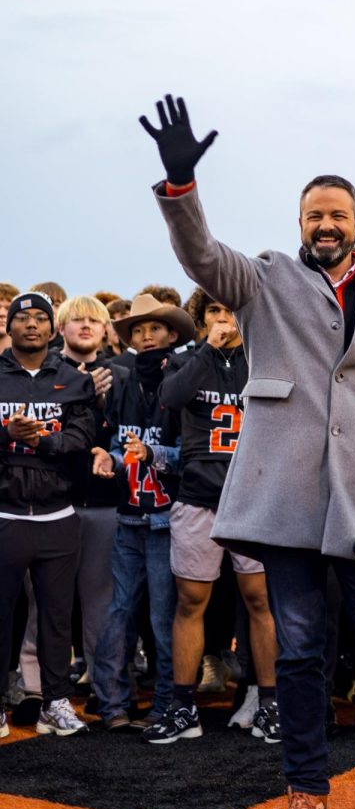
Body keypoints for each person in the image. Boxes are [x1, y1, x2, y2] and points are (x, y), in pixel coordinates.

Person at [140, 95, 355, 809]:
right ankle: (306, 788)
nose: (326, 225)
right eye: (313, 215)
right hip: (286, 501)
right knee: (300, 651)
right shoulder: (264, 279)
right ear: (299, 223)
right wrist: (180, 188)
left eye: (337, 215)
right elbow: (201, 257)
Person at [144, 291, 280, 746]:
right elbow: (171, 397)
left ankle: (270, 704)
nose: (224, 319)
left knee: (261, 601)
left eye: (231, 310)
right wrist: (208, 348)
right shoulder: (187, 359)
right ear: (201, 320)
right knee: (190, 602)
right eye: (214, 312)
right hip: (199, 495)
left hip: (252, 499)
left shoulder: (265, 358)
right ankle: (183, 707)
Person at [91, 293, 193, 731]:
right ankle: (112, 705)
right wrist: (110, 459)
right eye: (138, 329)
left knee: (164, 618)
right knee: (118, 612)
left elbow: (194, 454)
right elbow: (118, 445)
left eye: (155, 328)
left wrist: (153, 454)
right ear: (129, 337)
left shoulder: (189, 378)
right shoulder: (121, 381)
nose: (147, 336)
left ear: (172, 334)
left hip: (170, 521)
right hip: (128, 517)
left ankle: (167, 706)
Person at [0, 291, 95, 739]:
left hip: (59, 513)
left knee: (58, 617)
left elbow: (82, 435)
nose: (32, 325)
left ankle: (54, 702)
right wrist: (6, 435)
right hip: (5, 513)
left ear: (52, 327)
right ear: (10, 327)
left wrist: (42, 442)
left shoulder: (75, 380)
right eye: (23, 318)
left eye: (41, 318)